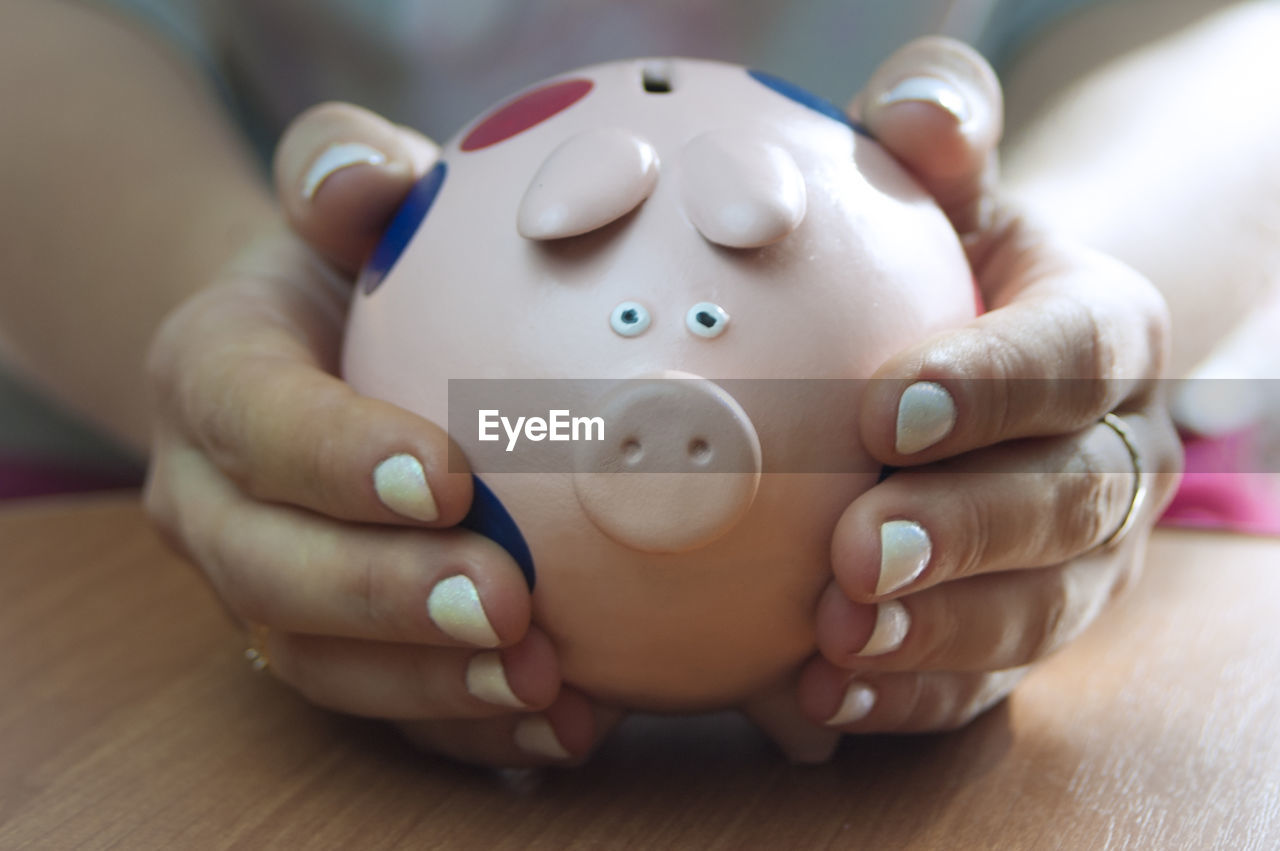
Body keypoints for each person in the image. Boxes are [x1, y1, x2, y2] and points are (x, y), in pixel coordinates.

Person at [0, 0, 1272, 765]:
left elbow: (1220, 36)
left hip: (1014, 455)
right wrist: (213, 308)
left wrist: (1074, 295)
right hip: (120, 422)